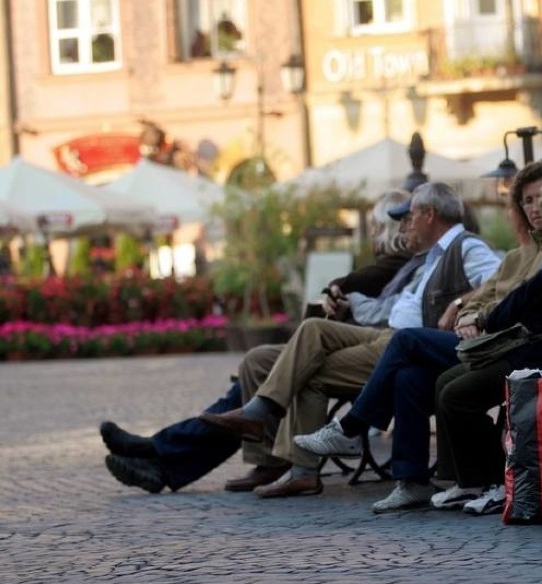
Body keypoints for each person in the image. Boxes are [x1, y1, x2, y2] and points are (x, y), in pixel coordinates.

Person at [296, 170, 542, 513]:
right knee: (411, 376)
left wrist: (481, 317)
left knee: (420, 356)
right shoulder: (523, 254)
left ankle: (357, 429)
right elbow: (488, 293)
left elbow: (530, 296)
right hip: (497, 339)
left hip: (523, 345)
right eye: (528, 202)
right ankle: (416, 480)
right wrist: (467, 312)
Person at [199, 182, 501, 498]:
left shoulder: (465, 246)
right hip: (389, 336)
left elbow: (499, 279)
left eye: (409, 216)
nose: (406, 224)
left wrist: (458, 304)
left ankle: (302, 466)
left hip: (406, 344)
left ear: (428, 215)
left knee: (310, 371)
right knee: (311, 330)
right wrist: (350, 303)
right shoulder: (431, 257)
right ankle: (260, 414)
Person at [101, 190, 415, 494]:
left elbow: (381, 311)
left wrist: (342, 292)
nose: (373, 232)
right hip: (340, 345)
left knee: (246, 393)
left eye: (377, 225)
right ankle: (222, 456)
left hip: (366, 352)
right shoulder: (393, 262)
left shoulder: (405, 259)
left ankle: (160, 452)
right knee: (255, 363)